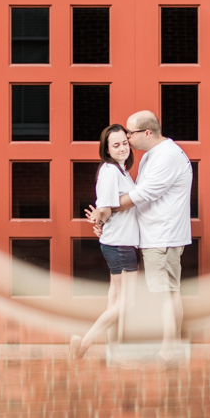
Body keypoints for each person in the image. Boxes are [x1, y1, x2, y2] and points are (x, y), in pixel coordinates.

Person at [87, 111, 192, 362]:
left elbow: (142, 195)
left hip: (162, 237)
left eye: (129, 134)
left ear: (146, 133)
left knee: (165, 292)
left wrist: (105, 212)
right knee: (163, 292)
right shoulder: (148, 157)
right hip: (154, 237)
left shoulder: (165, 156)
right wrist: (105, 217)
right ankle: (167, 346)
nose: (127, 138)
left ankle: (168, 350)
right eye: (119, 141)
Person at [68, 124, 139, 362]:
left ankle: (113, 353)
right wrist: (100, 216)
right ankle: (83, 344)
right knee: (127, 303)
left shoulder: (121, 170)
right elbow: (106, 206)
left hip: (117, 242)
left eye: (124, 143)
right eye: (115, 145)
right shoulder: (110, 170)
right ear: (107, 149)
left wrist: (101, 219)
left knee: (115, 301)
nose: (122, 149)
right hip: (120, 244)